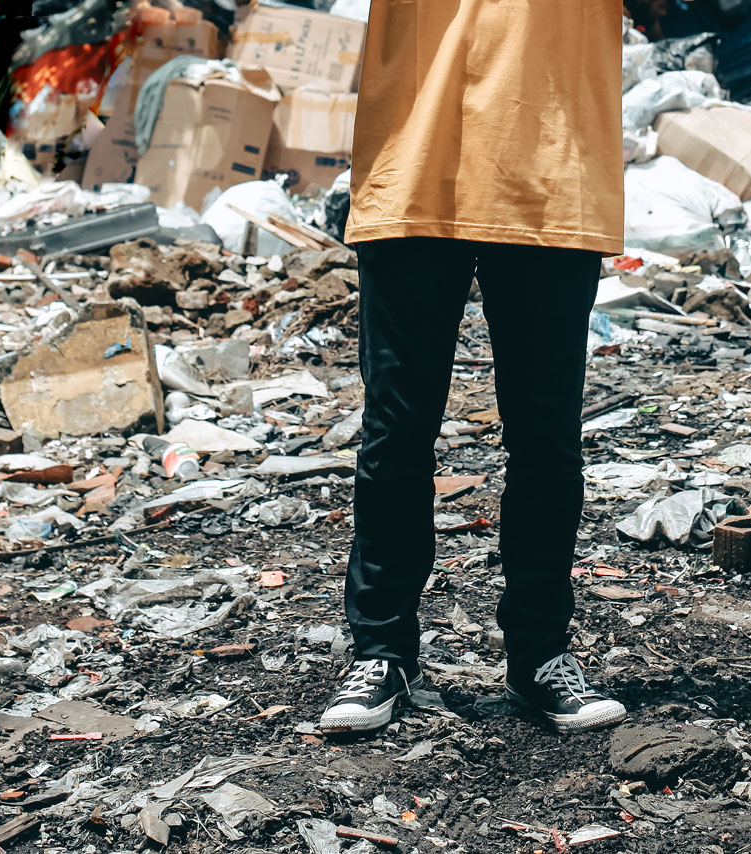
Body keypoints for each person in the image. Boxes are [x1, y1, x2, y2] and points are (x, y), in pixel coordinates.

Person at [318, 1, 629, 735]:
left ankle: (540, 656)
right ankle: (383, 651)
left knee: (546, 433)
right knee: (396, 425)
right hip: (417, 165)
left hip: (552, 171)